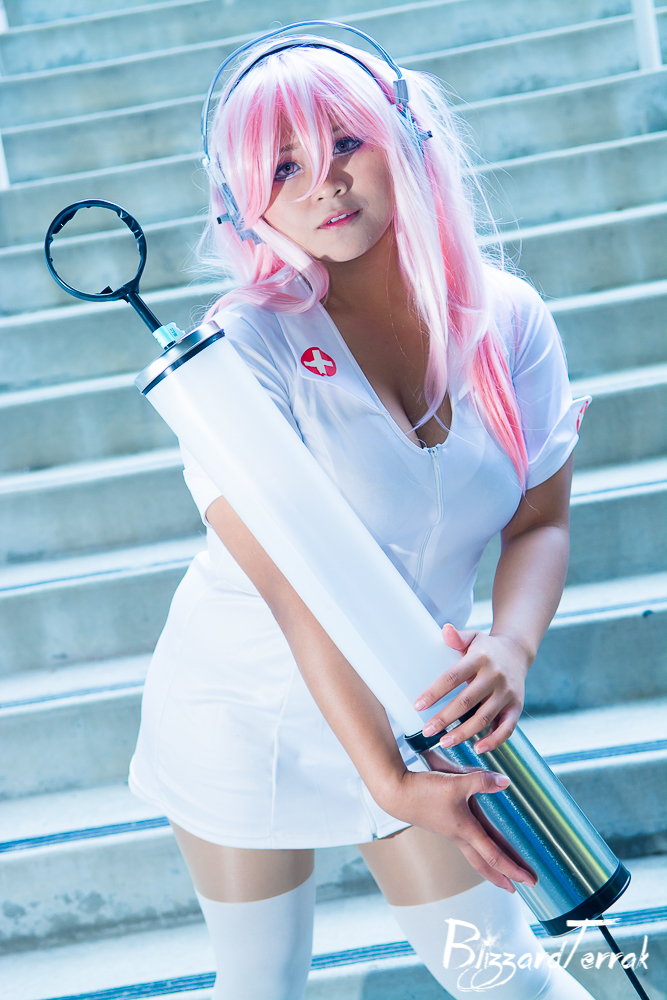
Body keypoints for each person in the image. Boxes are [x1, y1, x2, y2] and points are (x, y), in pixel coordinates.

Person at [128, 30, 595, 1000]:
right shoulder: (237, 349)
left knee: (508, 980)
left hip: (418, 697)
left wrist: (511, 646)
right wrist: (383, 779)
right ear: (244, 202)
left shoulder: (508, 318)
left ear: (408, 140)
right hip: (246, 705)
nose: (324, 183)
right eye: (282, 166)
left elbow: (540, 519)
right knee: (262, 985)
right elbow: (299, 592)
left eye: (345, 143)